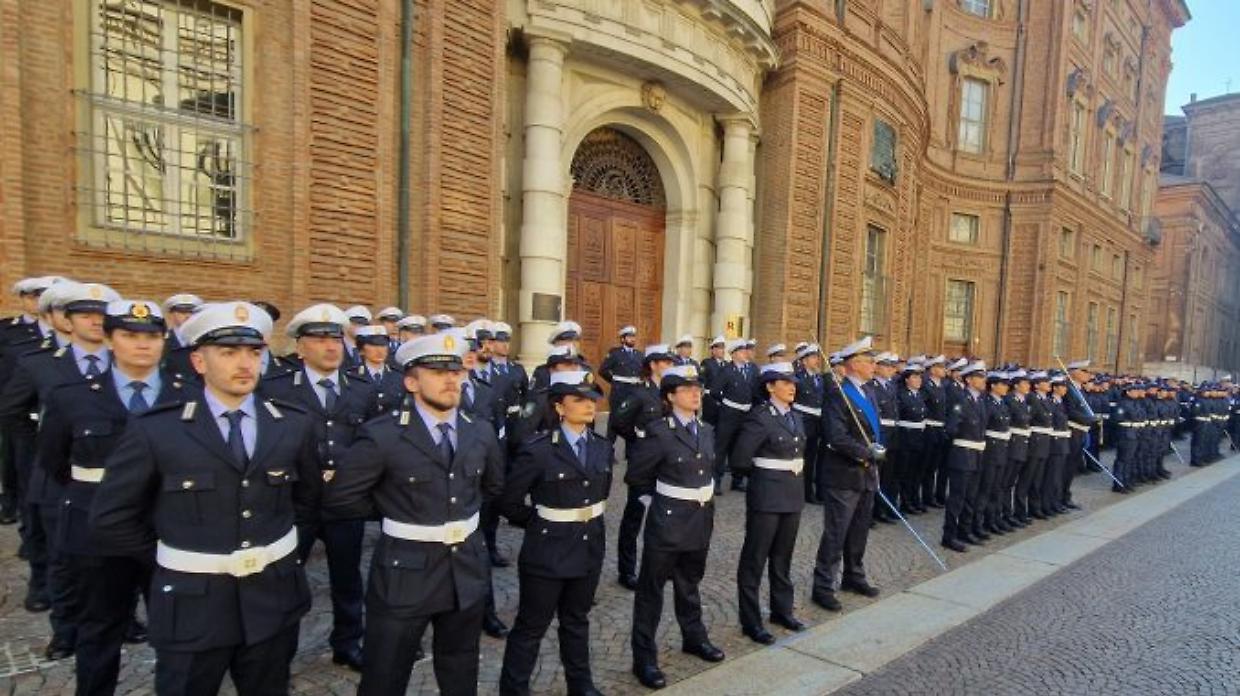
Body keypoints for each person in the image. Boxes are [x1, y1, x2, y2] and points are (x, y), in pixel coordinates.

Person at [89, 301, 322, 695]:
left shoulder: (293, 424)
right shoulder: (158, 430)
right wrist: (177, 559)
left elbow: (308, 500)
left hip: (272, 598)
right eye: (228, 353)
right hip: (192, 604)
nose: (244, 363)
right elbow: (112, 517)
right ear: (199, 361)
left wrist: (277, 554)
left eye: (254, 352)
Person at [323, 332, 504, 696]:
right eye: (437, 372)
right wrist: (399, 510)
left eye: (456, 371)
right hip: (404, 571)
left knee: (460, 668)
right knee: (385, 674)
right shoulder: (383, 435)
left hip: (465, 568)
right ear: (411, 381)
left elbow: (493, 487)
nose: (451, 379)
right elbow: (341, 499)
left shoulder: (479, 431)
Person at [38, 299, 188, 696]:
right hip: (96, 532)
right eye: (130, 335)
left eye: (153, 336)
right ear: (108, 339)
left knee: (176, 629)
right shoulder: (72, 396)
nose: (143, 345)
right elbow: (55, 463)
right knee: (99, 629)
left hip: (166, 529)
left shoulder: (186, 395)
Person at [0, 281, 121, 660]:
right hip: (59, 480)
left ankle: (123, 618)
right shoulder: (40, 364)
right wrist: (48, 454)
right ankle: (66, 629)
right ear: (67, 320)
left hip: (116, 480)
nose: (96, 322)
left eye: (102, 315)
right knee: (63, 559)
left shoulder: (127, 364)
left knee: (120, 556)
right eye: (86, 315)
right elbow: (12, 412)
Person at [260, 303, 381, 672]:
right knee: (285, 580)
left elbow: (373, 441)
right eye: (319, 338)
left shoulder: (361, 388)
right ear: (300, 347)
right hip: (297, 500)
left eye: (337, 338)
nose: (331, 346)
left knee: (347, 578)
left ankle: (348, 642)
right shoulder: (277, 387)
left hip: (345, 501)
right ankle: (278, 653)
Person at [497, 370, 611, 696]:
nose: (589, 406)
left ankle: (581, 685)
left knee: (577, 620)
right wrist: (539, 523)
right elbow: (509, 500)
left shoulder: (601, 447)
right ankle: (514, 689)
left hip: (589, 545)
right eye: (579, 399)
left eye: (592, 399)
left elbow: (599, 494)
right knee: (532, 626)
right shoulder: (539, 449)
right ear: (560, 407)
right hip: (547, 550)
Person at [626, 364, 723, 689]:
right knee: (651, 592)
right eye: (687, 388)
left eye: (698, 388)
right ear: (670, 396)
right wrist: (656, 507)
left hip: (699, 521)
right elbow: (637, 478)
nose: (696, 393)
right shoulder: (659, 431)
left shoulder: (706, 430)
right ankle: (644, 658)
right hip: (667, 524)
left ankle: (693, 637)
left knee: (689, 584)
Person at [730, 362, 807, 645]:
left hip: (792, 495)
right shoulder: (760, 417)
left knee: (782, 558)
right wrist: (767, 476)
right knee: (755, 559)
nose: (791, 387)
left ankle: (781, 611)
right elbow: (739, 459)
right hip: (767, 496)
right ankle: (751, 621)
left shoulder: (795, 416)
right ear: (770, 386)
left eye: (793, 383)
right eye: (785, 382)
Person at [811, 337, 883, 609]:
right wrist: (867, 453)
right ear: (854, 364)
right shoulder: (838, 393)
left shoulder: (869, 391)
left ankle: (854, 575)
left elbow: (873, 429)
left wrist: (876, 450)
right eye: (869, 361)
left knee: (859, 530)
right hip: (843, 473)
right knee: (836, 531)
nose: (874, 365)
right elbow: (836, 437)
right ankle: (823, 585)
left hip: (866, 473)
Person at [609, 344, 675, 591]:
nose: (669, 366)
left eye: (670, 362)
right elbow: (618, 421)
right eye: (665, 362)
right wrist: (639, 439)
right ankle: (626, 570)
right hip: (644, 465)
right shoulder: (639, 393)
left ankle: (659, 566)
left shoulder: (671, 392)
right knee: (634, 518)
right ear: (653, 365)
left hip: (668, 465)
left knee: (664, 518)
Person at [940, 361, 988, 553]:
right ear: (969, 379)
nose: (984, 381)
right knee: (957, 498)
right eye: (980, 377)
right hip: (962, 454)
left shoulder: (980, 400)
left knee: (971, 496)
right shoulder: (961, 400)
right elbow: (951, 428)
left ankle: (965, 531)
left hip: (977, 454)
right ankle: (949, 536)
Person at [712, 338, 759, 494]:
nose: (745, 353)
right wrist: (727, 402)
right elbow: (715, 391)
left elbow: (755, 391)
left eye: (746, 350)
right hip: (729, 413)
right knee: (722, 447)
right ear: (733, 354)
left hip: (746, 413)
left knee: (740, 448)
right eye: (741, 350)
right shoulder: (726, 370)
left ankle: (737, 480)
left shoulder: (752, 369)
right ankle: (716, 480)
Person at [793, 343, 826, 505]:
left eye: (816, 357)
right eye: (812, 358)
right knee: (799, 458)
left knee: (811, 459)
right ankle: (796, 491)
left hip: (816, 423)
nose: (816, 360)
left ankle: (807, 492)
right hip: (802, 421)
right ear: (804, 361)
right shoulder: (798, 378)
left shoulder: (819, 378)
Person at [893, 363, 928, 515]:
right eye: (915, 377)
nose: (919, 380)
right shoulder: (901, 394)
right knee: (903, 473)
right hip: (905, 438)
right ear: (906, 380)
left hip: (918, 438)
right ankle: (903, 503)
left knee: (915, 472)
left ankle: (912, 500)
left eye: (919, 377)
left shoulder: (920, 395)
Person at [599, 325, 643, 421]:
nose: (632, 339)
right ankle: (611, 437)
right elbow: (603, 370)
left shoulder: (639, 354)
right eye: (629, 337)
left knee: (634, 418)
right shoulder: (615, 353)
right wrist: (614, 381)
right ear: (623, 339)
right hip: (620, 391)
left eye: (633, 337)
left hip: (635, 391)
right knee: (615, 419)